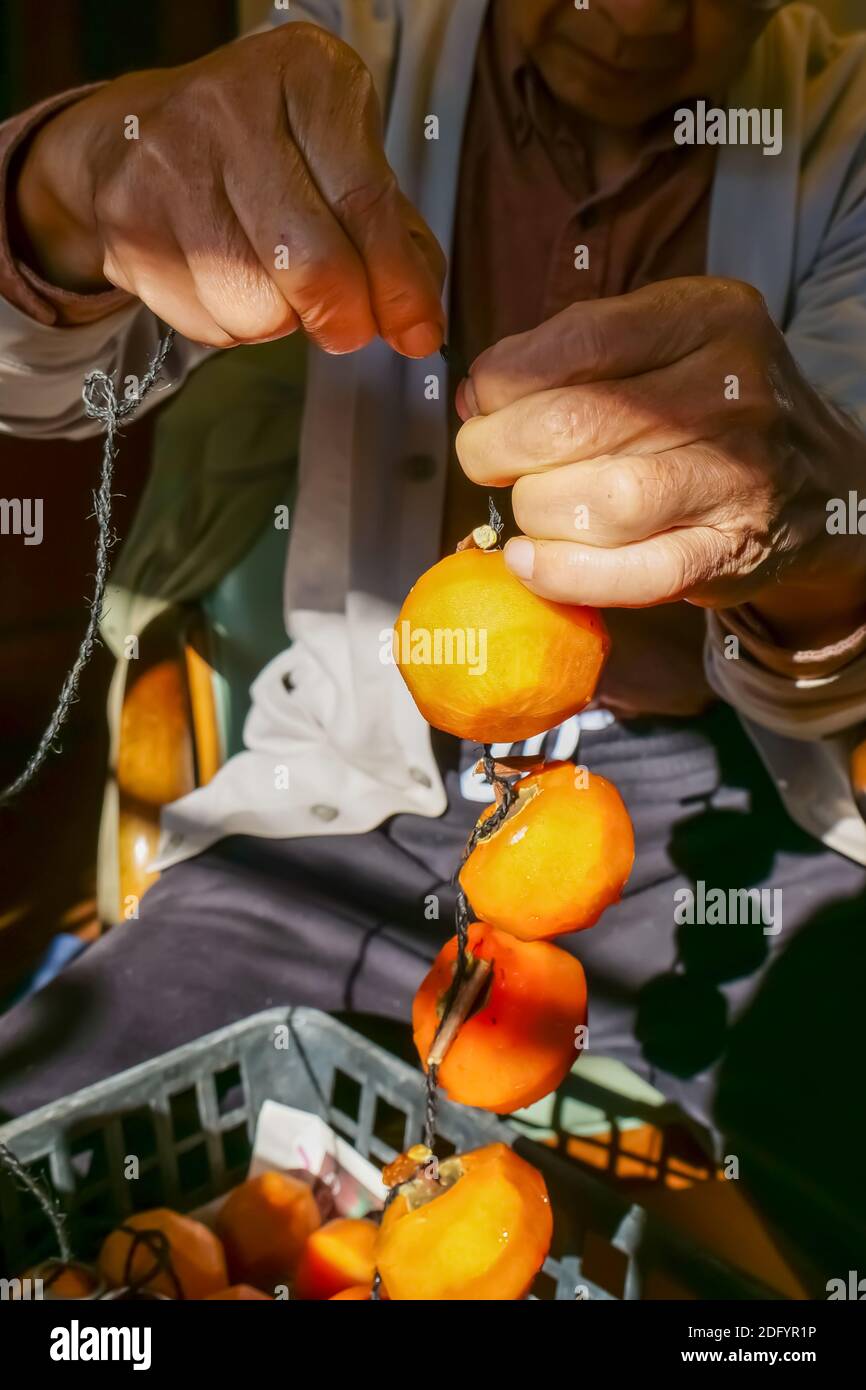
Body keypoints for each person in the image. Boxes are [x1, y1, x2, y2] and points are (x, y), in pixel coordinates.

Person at [1, 0, 866, 1278]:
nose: (634, 16)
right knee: (42, 1151)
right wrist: (70, 187)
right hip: (345, 802)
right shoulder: (351, 41)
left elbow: (839, 605)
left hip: (719, 812)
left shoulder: (843, 142)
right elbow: (39, 367)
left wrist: (815, 527)